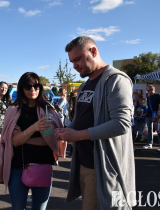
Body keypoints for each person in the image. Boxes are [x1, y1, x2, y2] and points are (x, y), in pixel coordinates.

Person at [55, 36, 136, 209]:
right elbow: (80, 120)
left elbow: (122, 123)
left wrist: (77, 135)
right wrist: (65, 131)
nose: (75, 65)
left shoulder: (116, 80)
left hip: (105, 168)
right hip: (84, 164)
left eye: (77, 59)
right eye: (71, 61)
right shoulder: (84, 86)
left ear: (93, 51)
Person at [0, 72, 66, 209]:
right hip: (18, 168)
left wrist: (24, 138)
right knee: (17, 208)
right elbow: (14, 142)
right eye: (28, 86)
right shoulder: (14, 110)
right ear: (22, 88)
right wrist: (34, 128)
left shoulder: (48, 110)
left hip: (42, 167)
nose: (33, 89)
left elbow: (50, 141)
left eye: (36, 86)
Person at [143, 85, 160, 149]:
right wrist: (146, 116)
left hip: (156, 115)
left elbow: (159, 106)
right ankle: (149, 144)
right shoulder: (149, 98)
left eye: (148, 90)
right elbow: (148, 107)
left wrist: (158, 115)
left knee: (158, 130)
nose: (147, 91)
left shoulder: (158, 96)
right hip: (149, 115)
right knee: (149, 130)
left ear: (152, 90)